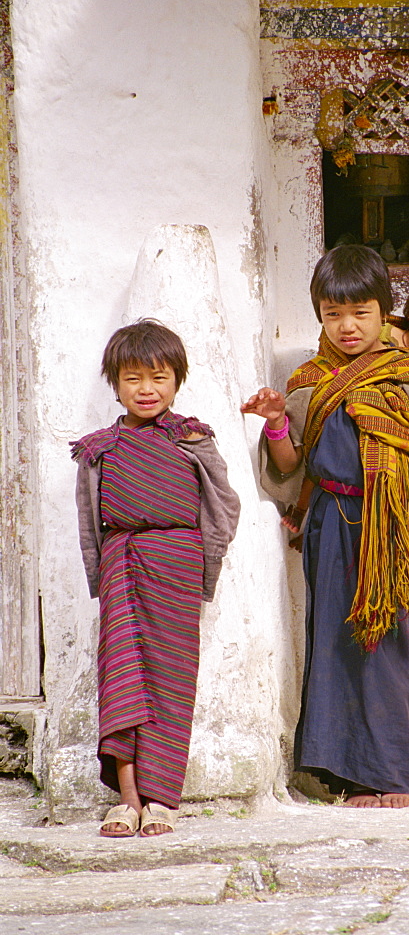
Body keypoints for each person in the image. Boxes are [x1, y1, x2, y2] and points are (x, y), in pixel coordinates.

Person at [241, 245, 409, 808]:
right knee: (336, 644)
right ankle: (341, 775)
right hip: (331, 525)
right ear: (320, 316)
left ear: (386, 312)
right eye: (334, 314)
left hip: (391, 526)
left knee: (392, 646)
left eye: (360, 312)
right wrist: (276, 423)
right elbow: (290, 467)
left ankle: (389, 775)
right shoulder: (310, 381)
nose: (348, 326)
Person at [71, 319, 240, 837]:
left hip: (178, 568)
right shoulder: (100, 449)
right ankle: (126, 800)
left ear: (177, 381)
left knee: (169, 682)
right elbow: (87, 519)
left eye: (159, 378)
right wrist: (102, 577)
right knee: (122, 679)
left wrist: (204, 572)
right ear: (115, 384)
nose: (147, 390)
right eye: (133, 379)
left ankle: (163, 799)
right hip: (123, 565)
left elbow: (222, 509)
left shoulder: (193, 441)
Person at [281, 267, 409, 543]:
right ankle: (304, 509)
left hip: (388, 493)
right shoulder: (379, 333)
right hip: (332, 484)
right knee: (325, 436)